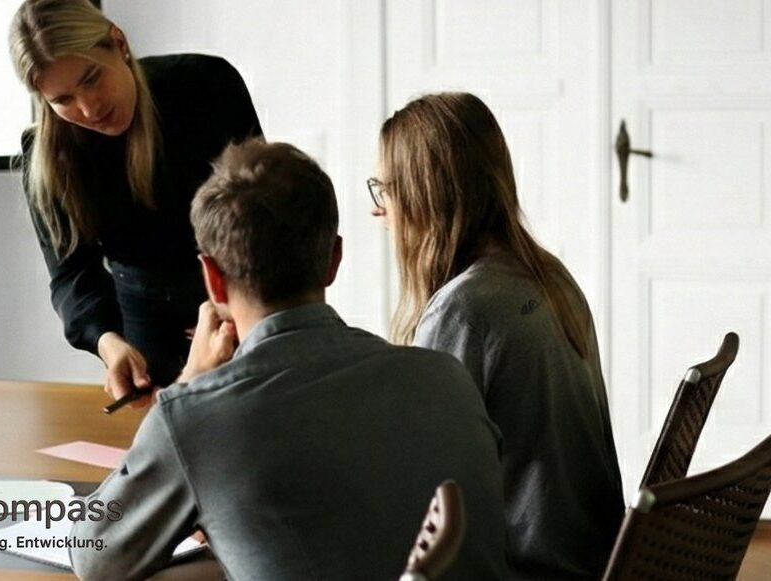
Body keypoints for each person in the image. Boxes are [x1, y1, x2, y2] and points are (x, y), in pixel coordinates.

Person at [69, 140, 509, 580]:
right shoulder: (447, 377)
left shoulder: (195, 421)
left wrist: (190, 381)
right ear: (333, 260)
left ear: (212, 280)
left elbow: (94, 559)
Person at [372, 91, 624, 579]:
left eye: (387, 190)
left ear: (424, 194)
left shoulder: (463, 309)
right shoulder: (548, 275)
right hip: (593, 557)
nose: (380, 211)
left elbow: (423, 493)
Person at [8, 0, 262, 395]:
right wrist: (107, 341)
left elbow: (258, 210)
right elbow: (71, 273)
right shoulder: (43, 156)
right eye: (63, 100)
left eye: (92, 78)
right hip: (143, 312)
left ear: (118, 42)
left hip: (237, 297)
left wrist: (235, 304)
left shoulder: (206, 85)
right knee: (159, 439)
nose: (89, 109)